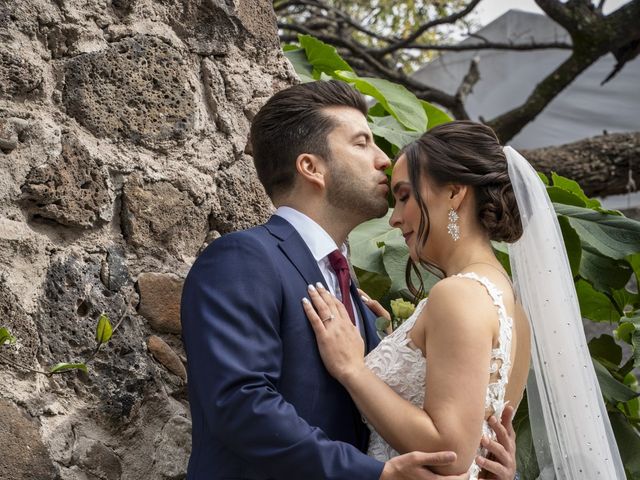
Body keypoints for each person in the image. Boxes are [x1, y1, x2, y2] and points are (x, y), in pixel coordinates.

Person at [180, 81, 517, 479]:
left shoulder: (354, 297)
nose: (384, 160)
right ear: (311, 167)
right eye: (362, 143)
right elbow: (240, 405)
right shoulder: (242, 259)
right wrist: (375, 475)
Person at [302, 121, 625, 479]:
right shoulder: (515, 312)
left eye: (406, 196)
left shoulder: (458, 295)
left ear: (455, 194)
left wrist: (354, 370)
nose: (394, 218)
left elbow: (451, 452)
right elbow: (482, 456)